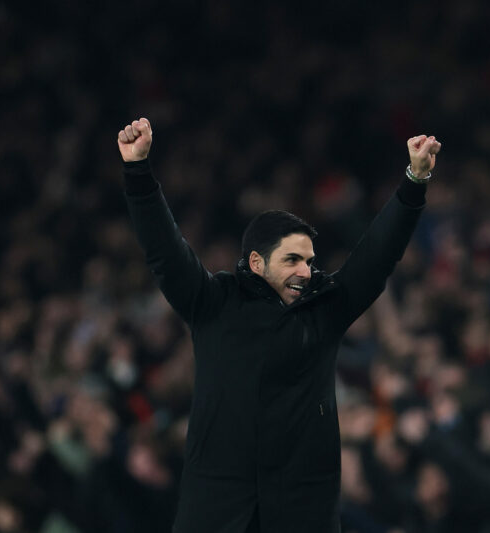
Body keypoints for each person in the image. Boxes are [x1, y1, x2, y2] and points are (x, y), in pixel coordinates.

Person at [117, 117, 441, 533]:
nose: (306, 271)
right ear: (256, 262)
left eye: (309, 260)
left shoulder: (325, 308)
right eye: (292, 259)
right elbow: (165, 251)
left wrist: (414, 180)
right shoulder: (213, 302)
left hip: (300, 510)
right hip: (219, 511)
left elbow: (377, 256)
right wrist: (138, 171)